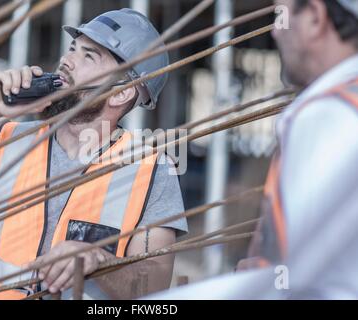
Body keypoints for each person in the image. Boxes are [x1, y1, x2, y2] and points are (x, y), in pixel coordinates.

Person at [0, 9, 188, 300]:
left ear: (121, 93)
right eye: (72, 49)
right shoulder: (8, 140)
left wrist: (98, 261)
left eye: (88, 56)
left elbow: (153, 287)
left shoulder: (151, 171)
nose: (66, 61)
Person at [149, 0, 358, 299]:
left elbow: (302, 286)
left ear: (314, 17)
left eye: (280, 16)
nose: (274, 32)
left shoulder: (327, 113)